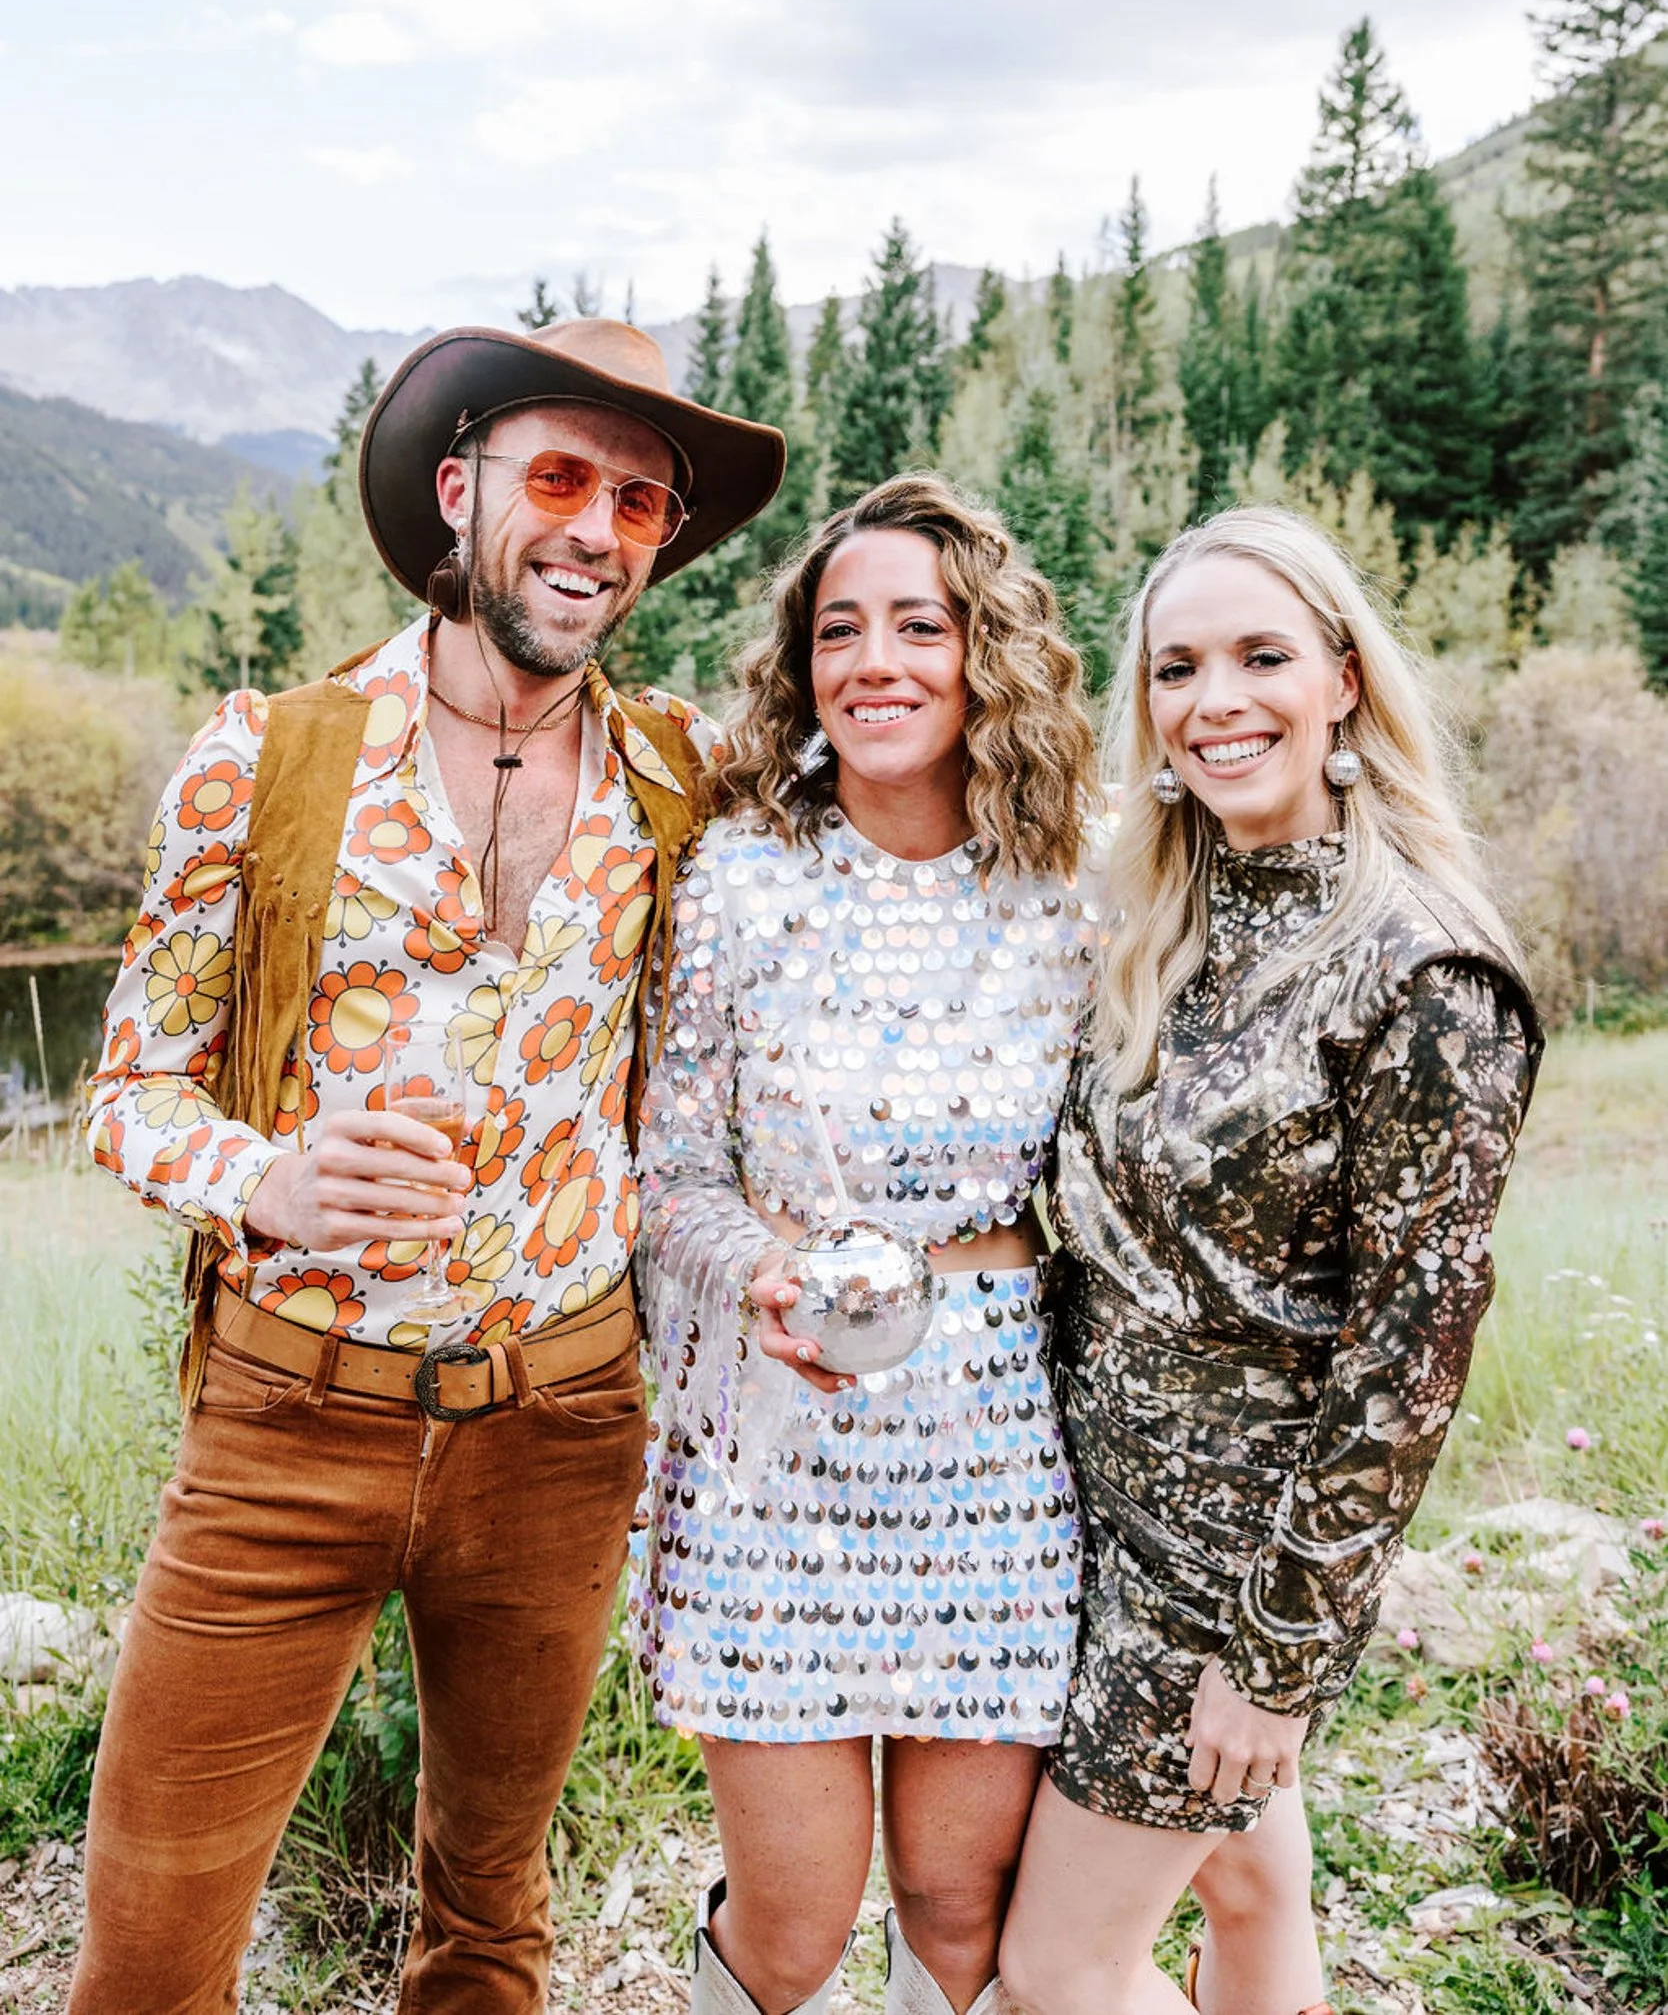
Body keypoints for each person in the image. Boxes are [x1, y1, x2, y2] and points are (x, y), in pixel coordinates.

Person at [69, 319, 784, 2015]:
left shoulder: (686, 776)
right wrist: (269, 1183)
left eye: (640, 501)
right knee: (152, 1953)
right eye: (558, 476)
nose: (597, 530)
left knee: (488, 1927)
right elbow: (129, 1092)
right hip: (285, 1426)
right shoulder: (269, 755)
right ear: (458, 491)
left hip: (560, 1426)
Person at [998, 505, 1542, 2015]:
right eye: (1179, 668)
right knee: (1245, 1883)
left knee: (1055, 1965)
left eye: (1261, 657)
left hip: (1235, 1565)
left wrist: (1278, 1649)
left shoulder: (1427, 974)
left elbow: (1407, 1361)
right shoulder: (1169, 915)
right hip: (1096, 1510)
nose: (1215, 702)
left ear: (1345, 679)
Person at [631, 475, 1107, 2015]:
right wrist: (755, 1273)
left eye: (922, 624)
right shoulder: (742, 877)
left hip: (994, 1451)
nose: (877, 662)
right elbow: (672, 1169)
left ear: (988, 654)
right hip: (779, 1451)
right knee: (795, 1929)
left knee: (958, 1910)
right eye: (842, 630)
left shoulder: (1079, 886)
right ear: (803, 664)